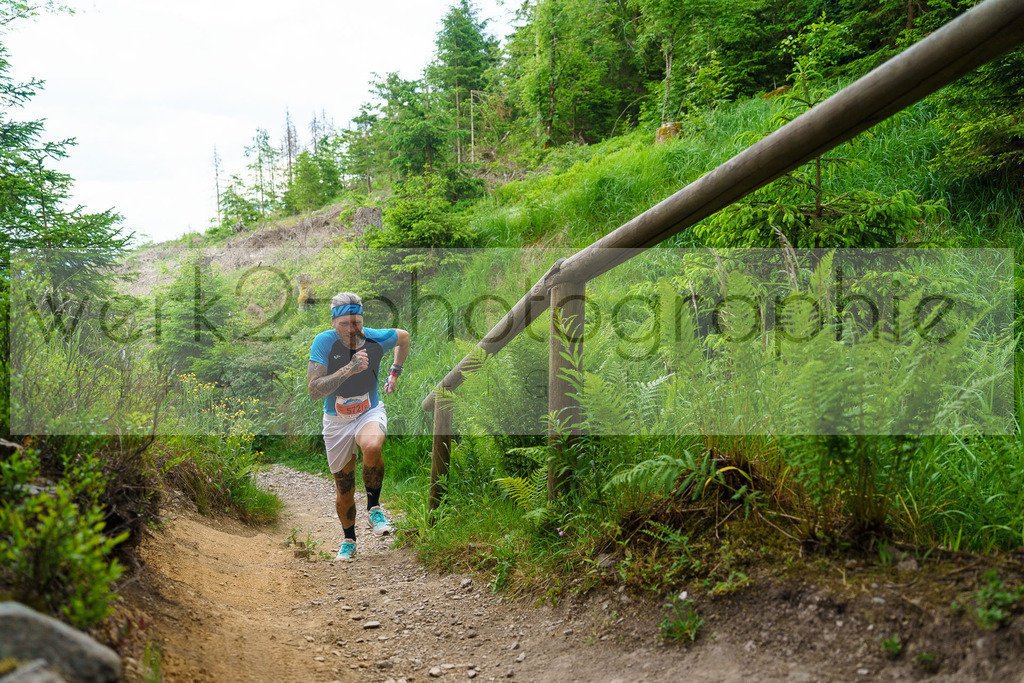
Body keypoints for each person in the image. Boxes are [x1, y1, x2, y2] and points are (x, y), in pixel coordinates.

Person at [307, 292, 410, 561]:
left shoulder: (375, 337)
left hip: (368, 411)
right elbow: (314, 391)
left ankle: (374, 507)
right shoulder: (324, 343)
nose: (352, 330)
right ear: (333, 323)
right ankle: (349, 540)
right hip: (336, 421)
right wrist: (348, 370)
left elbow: (404, 336)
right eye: (345, 324)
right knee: (344, 490)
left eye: (358, 322)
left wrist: (394, 373)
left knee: (373, 445)